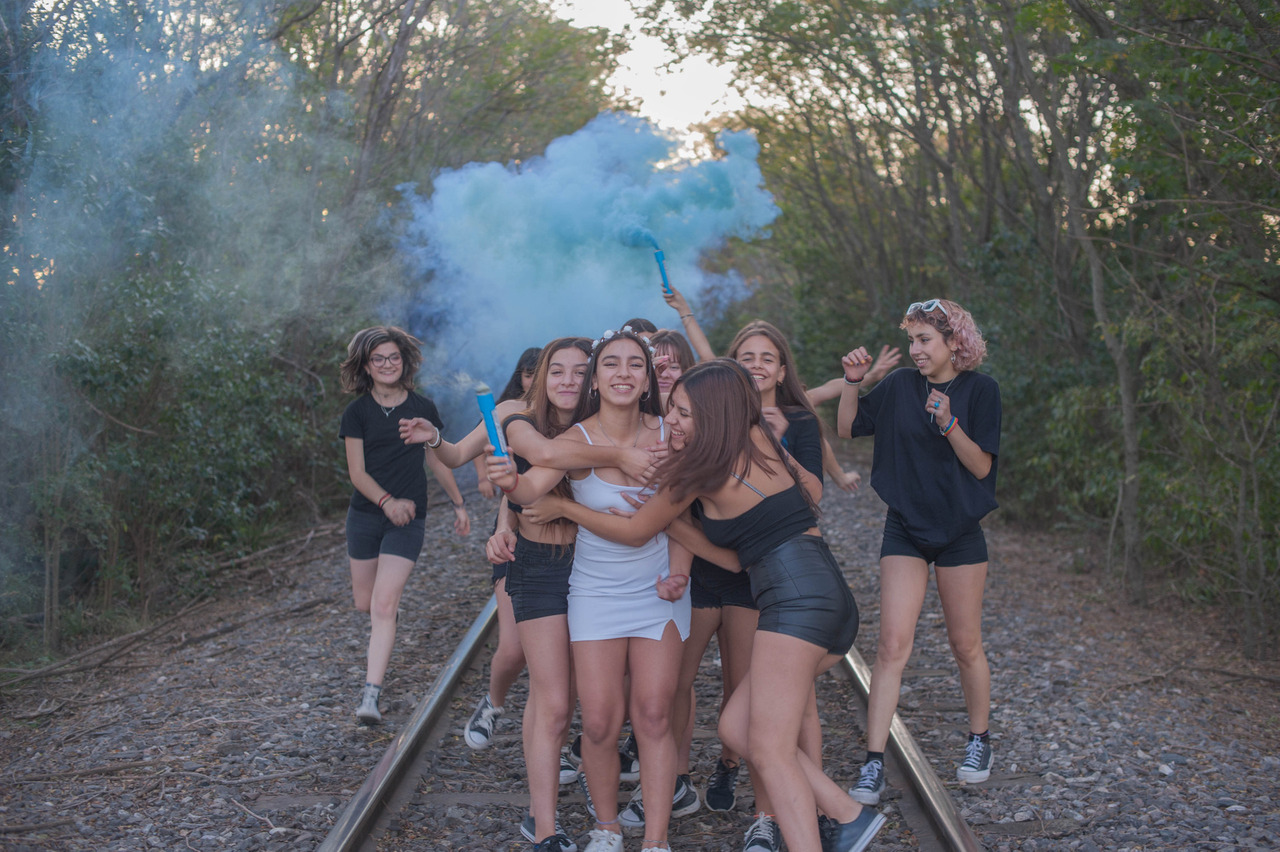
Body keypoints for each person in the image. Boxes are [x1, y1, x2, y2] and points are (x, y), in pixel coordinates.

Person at [516, 359, 886, 852]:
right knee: (737, 727)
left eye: (685, 414)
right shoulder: (755, 438)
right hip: (824, 599)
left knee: (769, 748)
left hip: (796, 605)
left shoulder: (696, 472)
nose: (671, 421)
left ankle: (836, 825)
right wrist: (670, 522)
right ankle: (847, 813)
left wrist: (565, 507)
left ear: (714, 416)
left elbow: (634, 531)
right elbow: (734, 560)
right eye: (672, 409)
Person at [401, 337, 659, 852]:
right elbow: (472, 459)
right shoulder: (516, 414)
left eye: (579, 371)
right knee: (555, 702)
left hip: (592, 566)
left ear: (593, 378)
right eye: (556, 370)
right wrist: (435, 441)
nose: (568, 380)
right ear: (539, 376)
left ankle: (586, 801)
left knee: (586, 701)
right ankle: (544, 826)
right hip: (539, 566)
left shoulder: (599, 420)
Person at [492, 327, 703, 852]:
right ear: (595, 380)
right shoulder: (575, 441)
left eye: (635, 364)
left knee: (653, 714)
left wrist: (679, 571)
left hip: (657, 593)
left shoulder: (671, 434)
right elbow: (528, 490)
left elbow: (688, 513)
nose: (623, 373)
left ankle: (655, 840)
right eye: (611, 364)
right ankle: (606, 827)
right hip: (594, 594)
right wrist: (507, 479)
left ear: (648, 380)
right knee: (602, 722)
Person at [837, 298, 1001, 805]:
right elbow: (846, 428)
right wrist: (852, 382)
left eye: (924, 340)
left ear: (954, 342)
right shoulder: (899, 386)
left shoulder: (982, 391)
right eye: (912, 340)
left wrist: (950, 423)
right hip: (905, 528)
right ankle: (872, 762)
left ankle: (979, 740)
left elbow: (981, 468)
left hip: (959, 531)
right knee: (891, 645)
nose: (916, 350)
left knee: (964, 644)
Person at [338, 326, 471, 725]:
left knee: (382, 605)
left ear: (404, 362)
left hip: (410, 519)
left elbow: (437, 459)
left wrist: (459, 503)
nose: (387, 364)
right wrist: (386, 502)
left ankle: (370, 696)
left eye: (393, 357)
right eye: (378, 359)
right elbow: (357, 473)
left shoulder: (422, 408)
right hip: (365, 516)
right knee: (366, 603)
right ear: (366, 366)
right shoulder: (356, 413)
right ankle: (387, 615)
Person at [461, 346, 542, 753]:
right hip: (516, 535)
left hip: (566, 544)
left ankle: (556, 741)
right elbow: (470, 449)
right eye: (529, 373)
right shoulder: (507, 412)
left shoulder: (575, 419)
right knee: (513, 650)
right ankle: (493, 703)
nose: (534, 381)